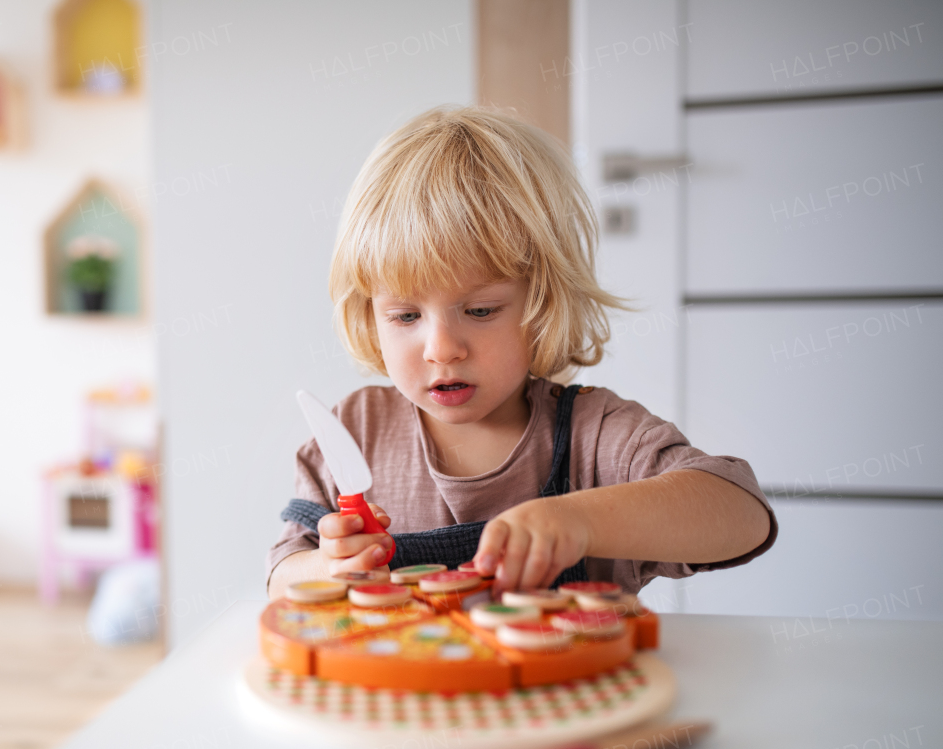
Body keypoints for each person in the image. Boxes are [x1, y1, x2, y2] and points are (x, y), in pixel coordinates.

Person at [266, 106, 775, 599]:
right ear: (369, 315)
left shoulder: (591, 436)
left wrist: (578, 519)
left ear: (543, 303)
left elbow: (741, 515)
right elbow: (283, 576)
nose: (442, 348)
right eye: (405, 317)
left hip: (564, 688)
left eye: (482, 310)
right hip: (393, 690)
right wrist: (327, 567)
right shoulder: (353, 432)